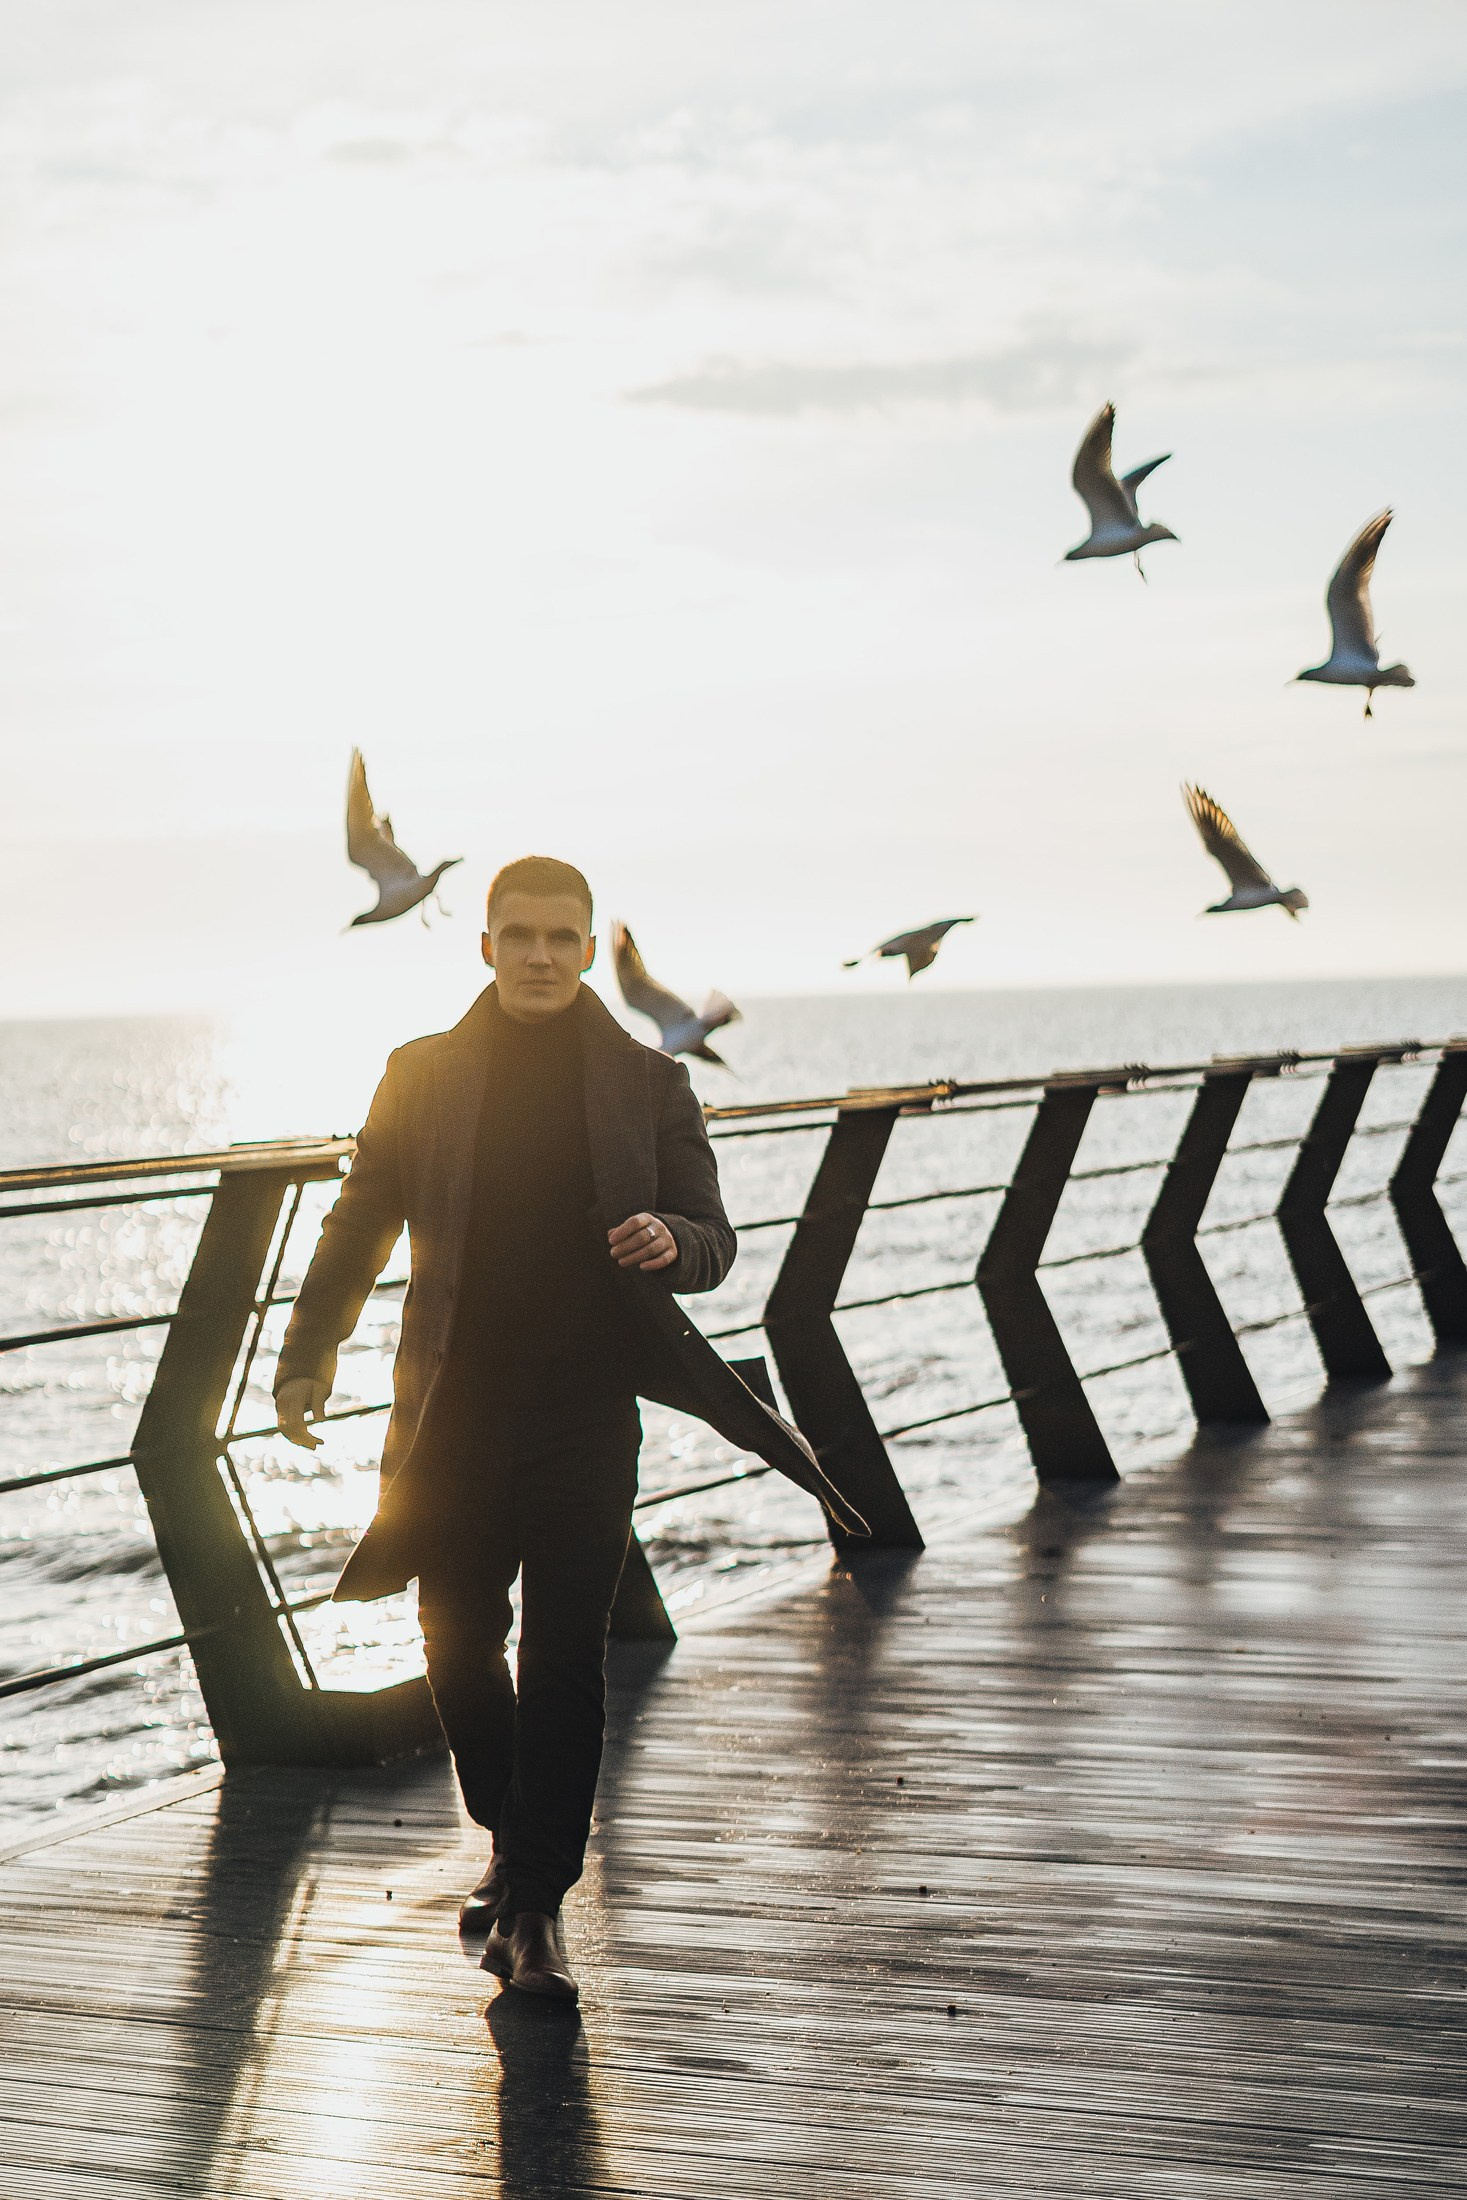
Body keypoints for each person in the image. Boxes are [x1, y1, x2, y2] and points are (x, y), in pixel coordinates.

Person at [274, 856, 863, 2002]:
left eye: (561, 936)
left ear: (590, 949)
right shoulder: (421, 1074)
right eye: (519, 935)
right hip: (451, 1417)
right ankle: (512, 1835)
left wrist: (668, 1241)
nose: (540, 954)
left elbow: (713, 1235)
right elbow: (359, 1221)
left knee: (563, 1662)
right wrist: (309, 1353)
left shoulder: (648, 1080)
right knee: (455, 1647)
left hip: (587, 1413)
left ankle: (537, 1909)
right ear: (484, 945)